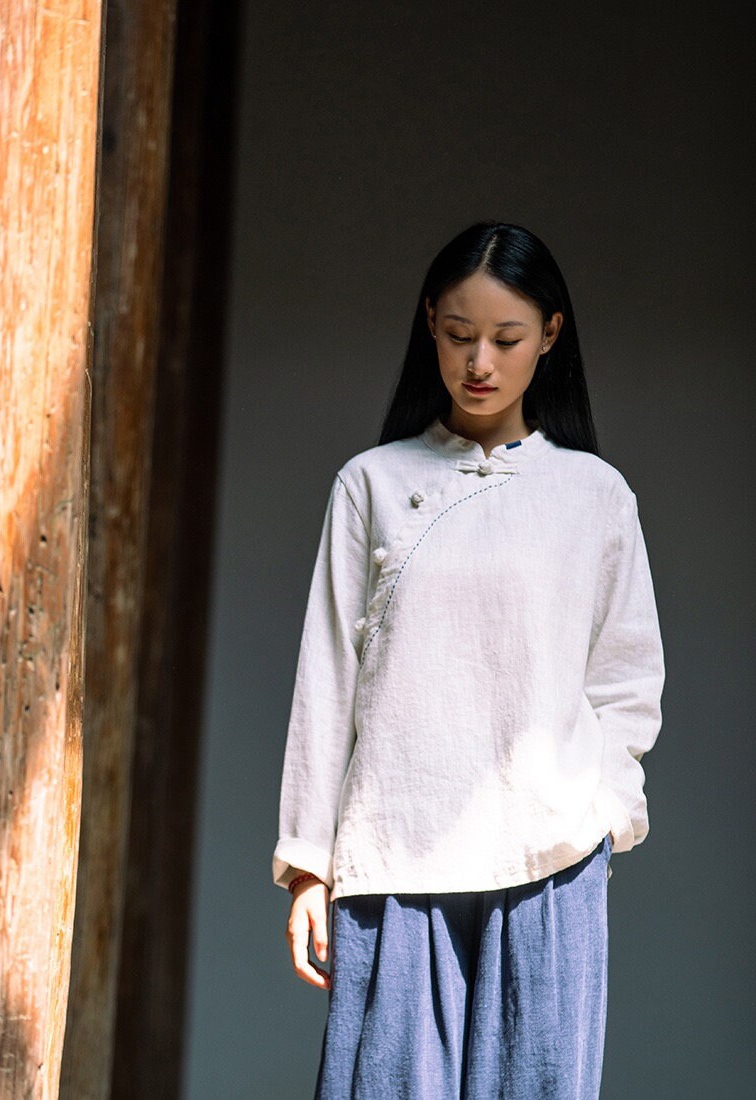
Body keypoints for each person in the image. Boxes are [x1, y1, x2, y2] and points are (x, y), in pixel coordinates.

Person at [271, 220, 665, 1099]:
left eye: (505, 338)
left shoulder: (595, 496)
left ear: (550, 335)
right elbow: (326, 682)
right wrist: (308, 863)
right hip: (394, 861)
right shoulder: (371, 483)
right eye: (458, 335)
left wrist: (604, 817)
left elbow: (627, 681)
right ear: (430, 327)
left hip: (550, 867)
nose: (479, 362)